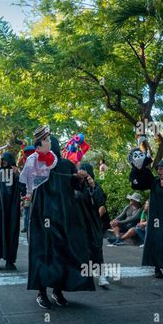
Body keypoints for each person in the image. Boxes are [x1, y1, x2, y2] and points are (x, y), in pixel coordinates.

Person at [22, 132, 95, 309]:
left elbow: (76, 188)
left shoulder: (66, 165)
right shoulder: (38, 164)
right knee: (43, 255)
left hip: (64, 218)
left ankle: (58, 290)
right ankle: (41, 292)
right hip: (43, 218)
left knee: (63, 255)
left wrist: (81, 178)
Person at [131, 159, 163, 278]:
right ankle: (157, 268)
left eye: (161, 168)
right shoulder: (155, 182)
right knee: (156, 241)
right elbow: (139, 184)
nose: (159, 171)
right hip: (156, 218)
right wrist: (137, 168)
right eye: (158, 169)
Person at [77, 162, 109, 287]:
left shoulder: (95, 186)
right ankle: (84, 276)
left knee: (96, 248)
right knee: (82, 249)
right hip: (80, 223)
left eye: (85, 172)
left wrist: (93, 185)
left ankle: (101, 275)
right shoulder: (77, 186)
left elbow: (101, 202)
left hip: (94, 223)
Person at [0, 152, 23, 271]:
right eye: (2, 159)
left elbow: (23, 188)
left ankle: (10, 261)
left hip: (12, 210)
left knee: (11, 234)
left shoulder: (15, 174)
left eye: (6, 159)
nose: (3, 161)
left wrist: (18, 174)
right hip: (0, 209)